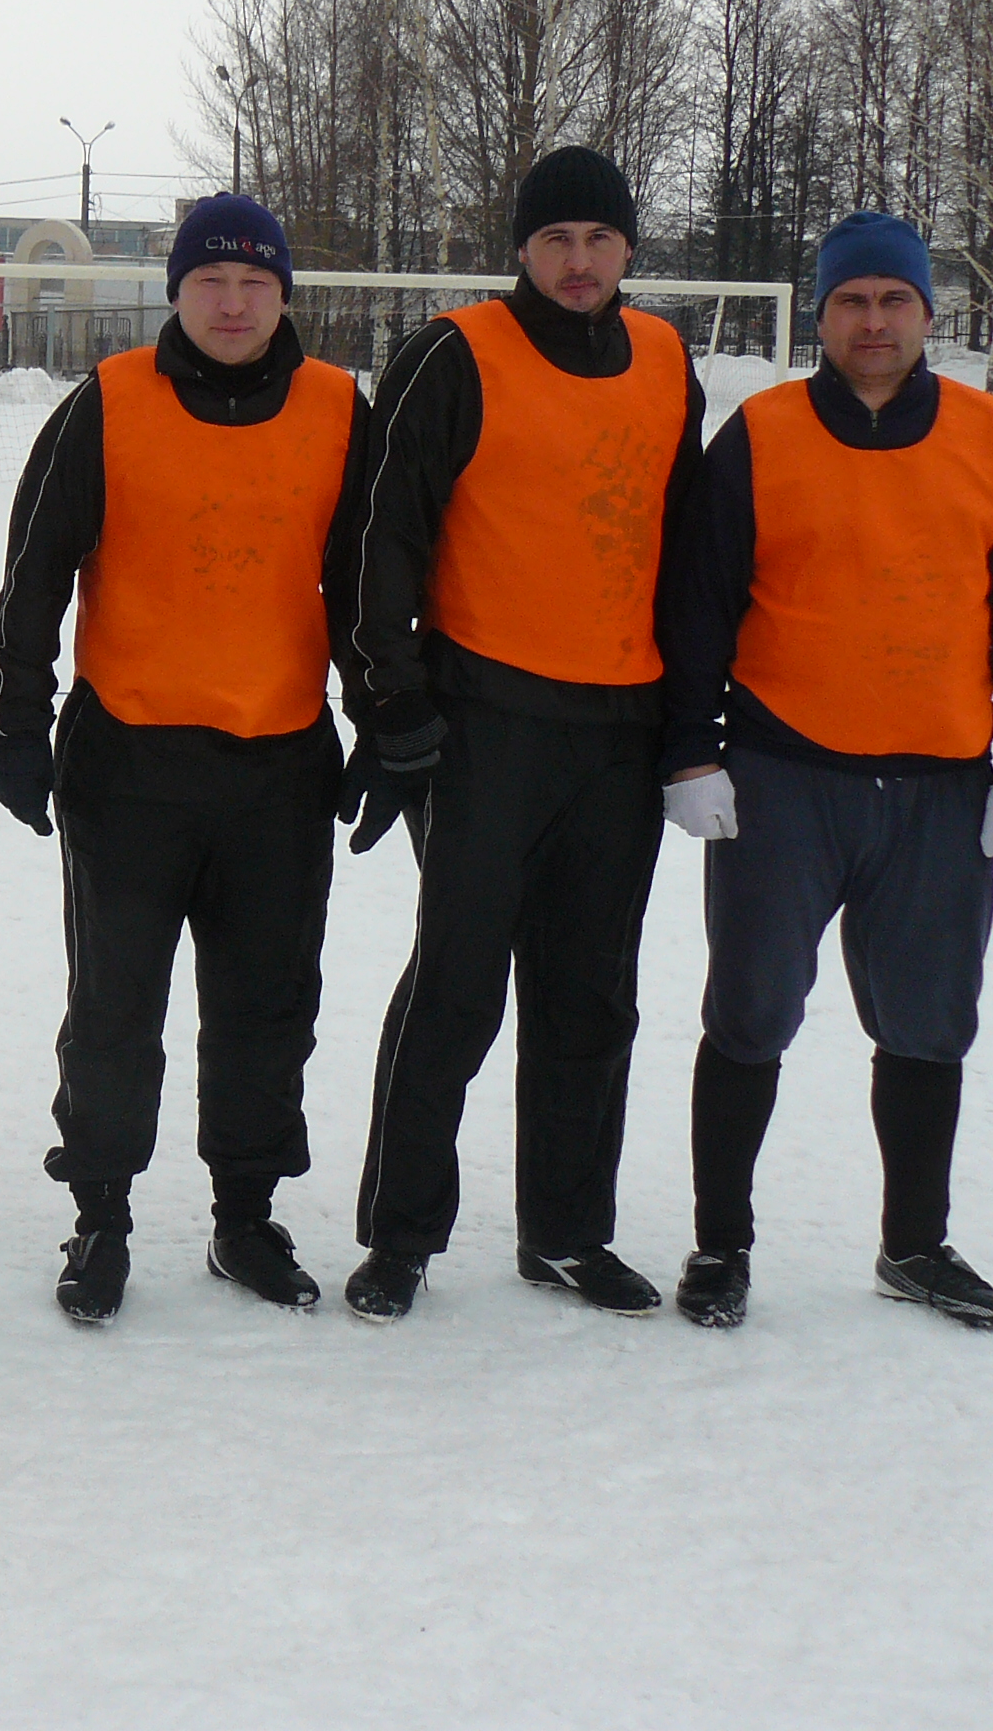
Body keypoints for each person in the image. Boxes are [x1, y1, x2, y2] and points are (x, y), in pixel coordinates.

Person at [658, 212, 993, 1331]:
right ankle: (720, 1246)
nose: (873, 321)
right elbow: (696, 607)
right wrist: (691, 752)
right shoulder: (764, 435)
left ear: (928, 314)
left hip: (940, 792)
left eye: (895, 301)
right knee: (749, 1014)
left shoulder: (990, 441)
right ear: (823, 316)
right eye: (851, 302)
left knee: (930, 1024)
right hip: (784, 779)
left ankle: (916, 1244)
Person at [0, 194, 370, 1324]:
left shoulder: (340, 411)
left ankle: (245, 1215)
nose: (234, 302)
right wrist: (14, 722)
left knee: (266, 1005)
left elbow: (373, 593)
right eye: (212, 281)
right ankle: (99, 1215)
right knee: (114, 1006)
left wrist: (391, 727)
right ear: (177, 292)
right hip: (129, 766)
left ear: (284, 293)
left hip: (278, 768)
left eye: (255, 282)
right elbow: (35, 570)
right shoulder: (109, 407)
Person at [340, 145, 704, 1322]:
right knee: (457, 987)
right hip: (485, 722)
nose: (580, 260)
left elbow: (689, 549)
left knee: (592, 995)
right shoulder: (456, 355)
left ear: (629, 249)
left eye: (600, 239)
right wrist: (391, 699)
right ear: (522, 251)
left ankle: (566, 1232)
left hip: (618, 726)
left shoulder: (663, 359)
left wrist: (695, 724)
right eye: (556, 240)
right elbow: (380, 536)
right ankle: (401, 1235)